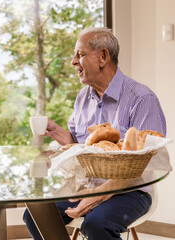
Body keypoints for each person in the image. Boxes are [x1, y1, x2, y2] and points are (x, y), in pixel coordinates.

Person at [23, 27, 166, 240]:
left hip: (130, 190)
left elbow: (145, 162)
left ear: (103, 57)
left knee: (97, 224)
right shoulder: (82, 97)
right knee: (36, 213)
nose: (73, 61)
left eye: (79, 55)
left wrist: (95, 198)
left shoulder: (142, 98)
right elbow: (82, 146)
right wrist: (60, 134)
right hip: (87, 184)